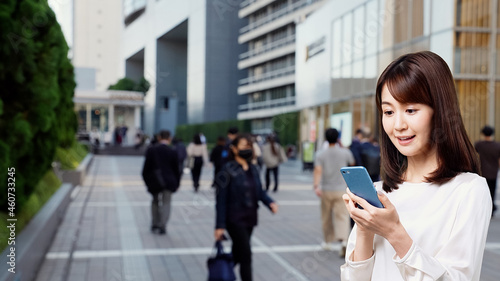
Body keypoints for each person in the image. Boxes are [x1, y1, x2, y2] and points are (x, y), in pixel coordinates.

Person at [341, 51, 492, 280]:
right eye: (389, 111)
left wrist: (394, 232)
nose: (398, 125)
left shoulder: (469, 190)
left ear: (440, 112)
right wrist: (364, 229)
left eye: (411, 110)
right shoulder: (379, 192)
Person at [214, 134, 279, 281]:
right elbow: (221, 200)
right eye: (243, 146)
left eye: (249, 146)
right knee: (246, 255)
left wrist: (270, 203)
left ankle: (222, 272)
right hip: (234, 219)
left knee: (238, 253)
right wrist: (219, 226)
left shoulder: (253, 168)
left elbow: (259, 191)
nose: (247, 149)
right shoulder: (227, 170)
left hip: (250, 217)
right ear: (234, 149)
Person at [313, 128, 355, 257]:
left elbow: (318, 171)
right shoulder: (345, 152)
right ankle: (343, 241)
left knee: (326, 216)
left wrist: (316, 186)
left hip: (326, 189)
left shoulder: (320, 154)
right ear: (338, 138)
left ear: (326, 138)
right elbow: (352, 165)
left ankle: (327, 241)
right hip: (342, 189)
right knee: (342, 216)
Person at [141, 130, 180, 235]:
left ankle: (155, 224)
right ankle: (163, 225)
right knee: (166, 203)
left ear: (159, 137)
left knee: (155, 202)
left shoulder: (151, 150)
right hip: (169, 182)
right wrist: (177, 184)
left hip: (154, 182)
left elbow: (145, 169)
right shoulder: (173, 152)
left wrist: (147, 182)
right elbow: (177, 170)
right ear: (169, 138)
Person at [475, 125, 500, 217]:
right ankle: (492, 210)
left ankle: (484, 208)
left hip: (483, 171)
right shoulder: (497, 146)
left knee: (483, 191)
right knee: (492, 191)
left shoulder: (479, 144)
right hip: (493, 172)